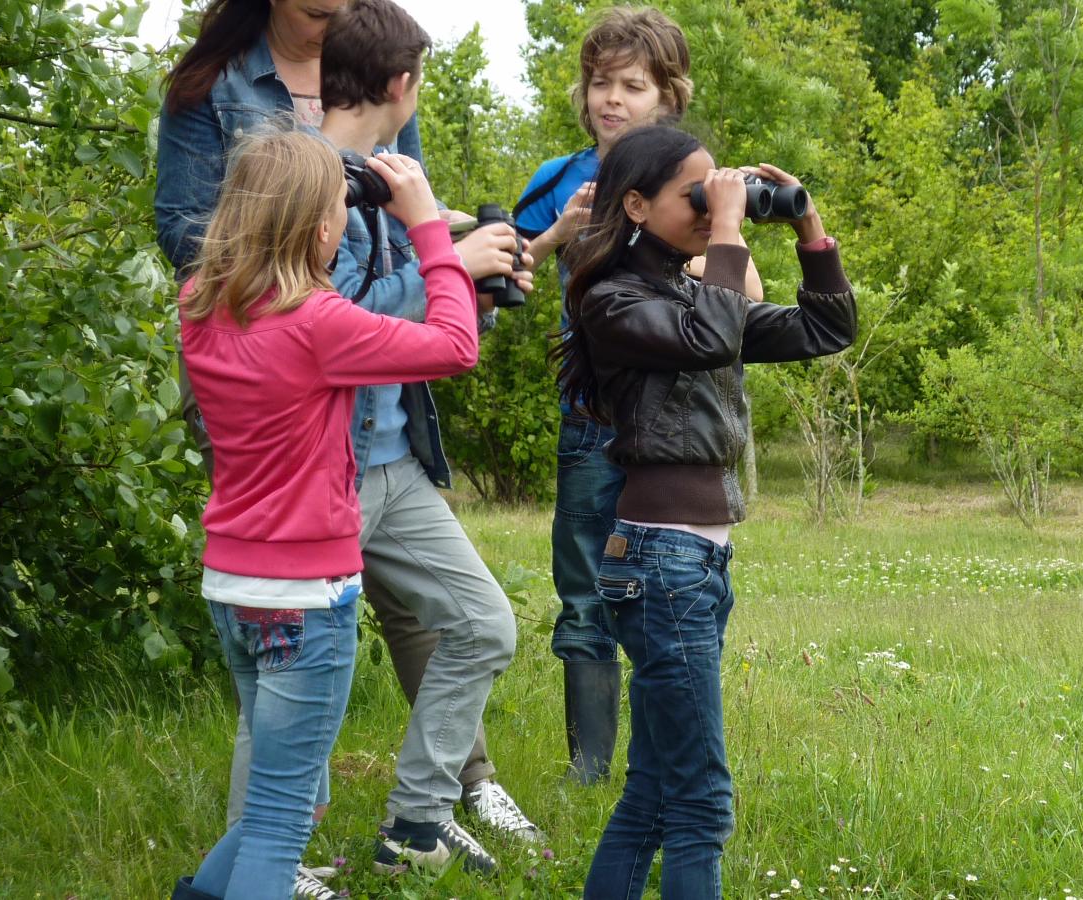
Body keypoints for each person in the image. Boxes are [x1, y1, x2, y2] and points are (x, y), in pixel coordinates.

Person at [167, 129, 478, 900]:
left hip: (232, 587)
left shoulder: (200, 304)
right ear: (319, 232)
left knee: (278, 803)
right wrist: (427, 226)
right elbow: (455, 344)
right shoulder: (318, 326)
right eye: (341, 207)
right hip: (306, 600)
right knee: (281, 822)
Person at [558, 124, 856, 898]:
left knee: (655, 792)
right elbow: (710, 339)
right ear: (634, 205)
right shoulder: (614, 300)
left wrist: (808, 228)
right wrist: (726, 229)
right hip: (662, 563)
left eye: (714, 191)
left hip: (694, 562)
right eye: (693, 194)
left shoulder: (692, 295)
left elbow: (826, 329)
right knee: (701, 802)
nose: (710, 205)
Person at [313, 0, 537, 875]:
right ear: (402, 84)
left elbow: (433, 332)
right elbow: (326, 331)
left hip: (395, 462)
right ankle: (266, 862)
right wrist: (448, 261)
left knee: (483, 625)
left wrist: (475, 280)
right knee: (302, 683)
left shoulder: (395, 180)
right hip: (324, 470)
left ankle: (416, 823)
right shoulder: (309, 180)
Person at [512, 6, 709, 787]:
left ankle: (669, 766)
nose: (612, 100)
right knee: (586, 597)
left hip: (673, 427)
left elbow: (735, 288)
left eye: (632, 85)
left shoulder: (693, 180)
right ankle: (588, 774)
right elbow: (505, 276)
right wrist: (554, 237)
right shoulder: (557, 179)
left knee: (673, 594)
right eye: (601, 83)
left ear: (668, 95)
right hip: (588, 421)